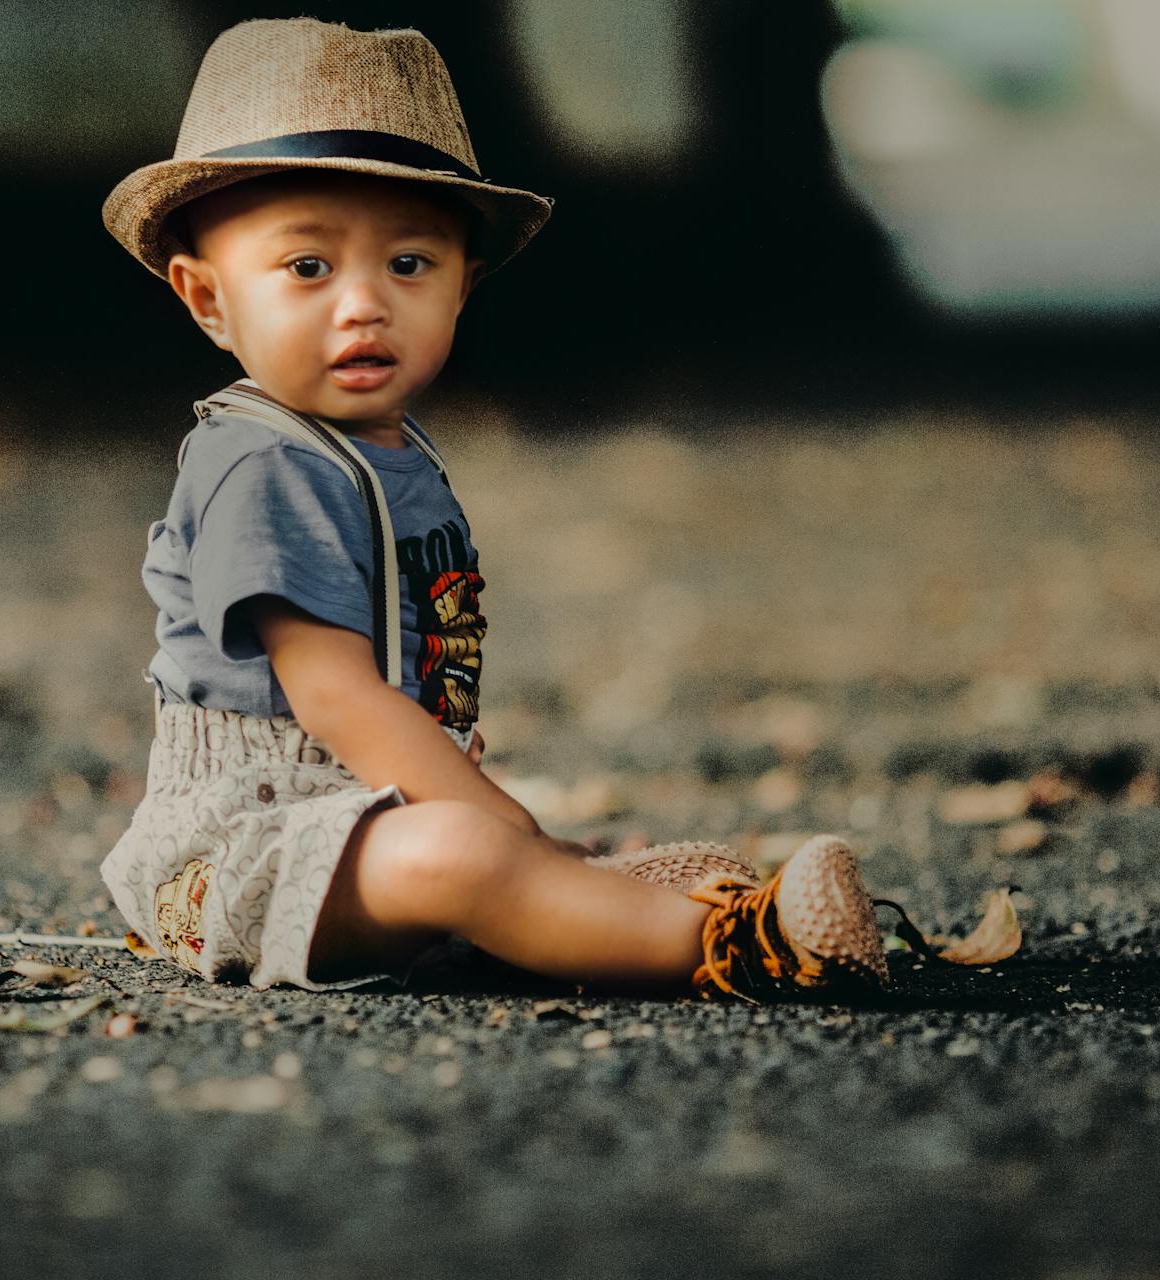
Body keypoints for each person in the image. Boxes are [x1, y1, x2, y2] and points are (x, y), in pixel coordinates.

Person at [96, 16, 891, 1002]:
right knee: (463, 855)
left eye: (410, 264)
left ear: (464, 286)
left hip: (363, 818)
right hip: (233, 860)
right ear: (208, 300)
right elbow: (335, 694)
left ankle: (581, 907)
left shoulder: (397, 458)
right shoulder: (259, 462)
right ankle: (734, 942)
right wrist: (501, 824)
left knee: (472, 849)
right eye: (308, 267)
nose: (363, 305)